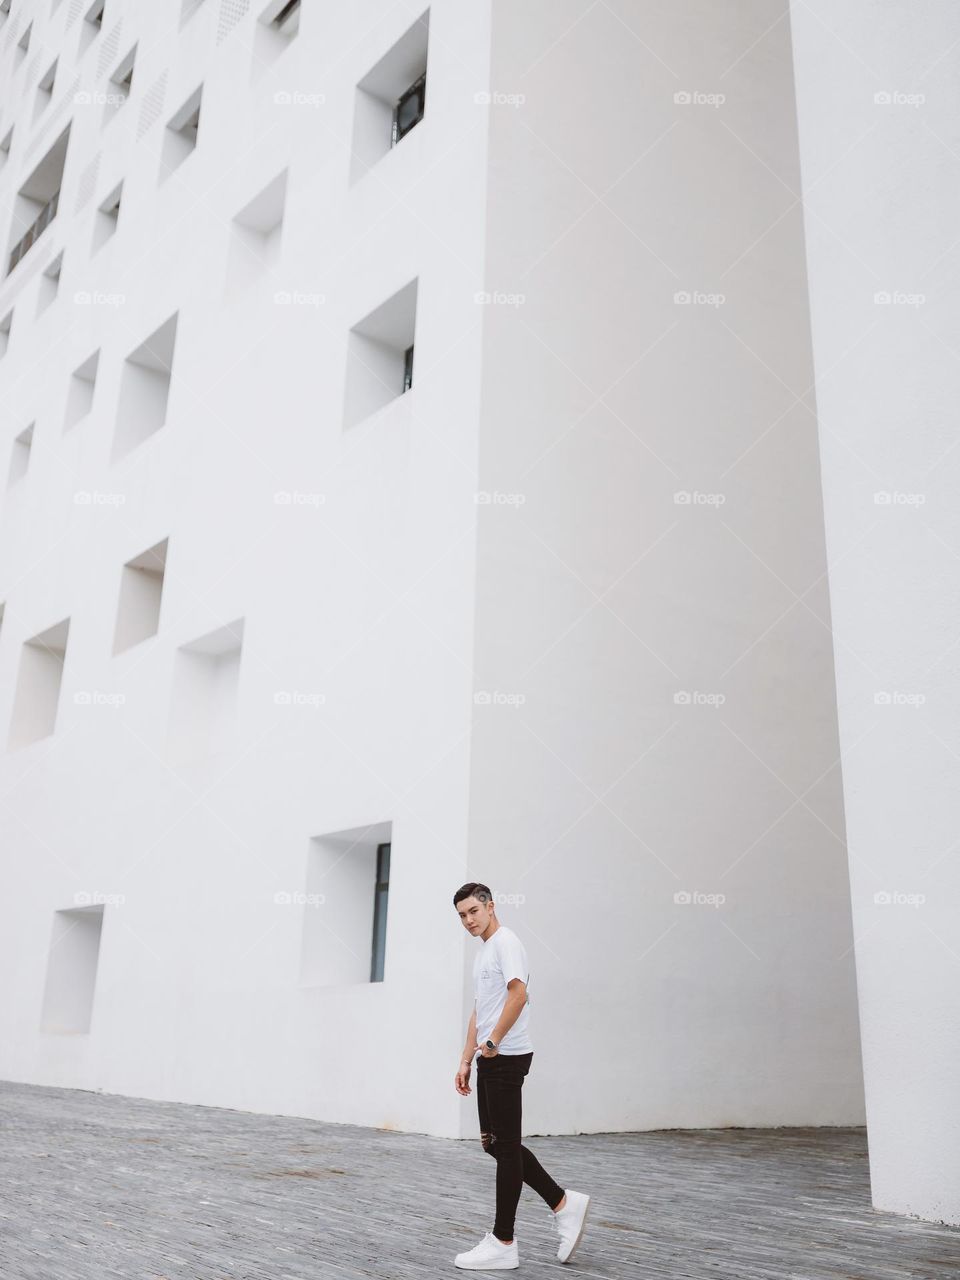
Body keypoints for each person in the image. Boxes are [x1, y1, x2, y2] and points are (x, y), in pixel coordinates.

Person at [452, 882, 590, 1270]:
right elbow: (481, 1011)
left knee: (506, 1148)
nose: (468, 920)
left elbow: (518, 994)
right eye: (462, 915)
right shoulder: (483, 954)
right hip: (489, 1056)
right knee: (495, 1145)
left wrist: (494, 1041)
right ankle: (564, 1203)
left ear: (490, 907)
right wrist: (466, 1058)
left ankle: (503, 1241)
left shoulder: (507, 942)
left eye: (473, 912)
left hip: (507, 1055)